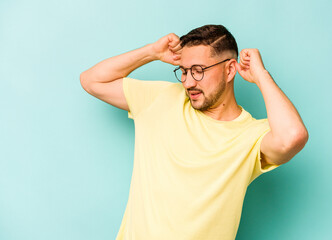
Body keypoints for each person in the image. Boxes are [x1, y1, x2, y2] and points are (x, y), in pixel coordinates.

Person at [80, 24, 309, 240]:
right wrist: (151, 52)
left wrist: (261, 75)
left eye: (198, 71)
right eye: (183, 71)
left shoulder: (250, 136)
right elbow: (92, 80)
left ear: (230, 70)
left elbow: (292, 136)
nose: (188, 82)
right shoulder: (161, 98)